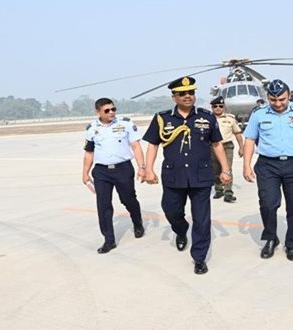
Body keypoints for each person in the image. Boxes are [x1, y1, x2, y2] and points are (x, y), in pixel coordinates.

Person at [143, 76, 232, 275]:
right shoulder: (162, 118)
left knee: (201, 219)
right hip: (173, 175)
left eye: (191, 92)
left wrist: (226, 170)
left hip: (201, 176)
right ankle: (181, 230)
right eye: (182, 94)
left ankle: (199, 257)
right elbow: (153, 145)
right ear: (174, 97)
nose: (187, 96)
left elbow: (217, 144)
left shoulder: (207, 117)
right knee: (171, 211)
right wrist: (148, 169)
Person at [242, 79, 293, 261]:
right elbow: (249, 139)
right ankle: (271, 238)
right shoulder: (259, 114)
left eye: (282, 99)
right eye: (273, 100)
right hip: (267, 165)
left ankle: (292, 244)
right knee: (268, 203)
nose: (278, 104)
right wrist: (246, 164)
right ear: (268, 98)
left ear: (289, 94)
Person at [82, 98, 146, 254]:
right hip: (101, 171)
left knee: (128, 199)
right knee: (103, 206)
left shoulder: (125, 124)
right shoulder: (91, 128)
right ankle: (109, 240)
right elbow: (89, 152)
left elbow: (136, 147)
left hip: (123, 169)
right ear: (97, 112)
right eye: (107, 110)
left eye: (113, 109)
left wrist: (142, 167)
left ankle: (137, 222)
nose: (111, 112)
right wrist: (85, 173)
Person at [209, 96, 244, 202]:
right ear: (212, 108)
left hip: (227, 146)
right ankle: (218, 189)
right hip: (212, 147)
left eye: (220, 106)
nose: (218, 108)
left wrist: (241, 147)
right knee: (215, 169)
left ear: (223, 107)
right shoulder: (208, 119)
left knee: (227, 169)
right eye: (215, 106)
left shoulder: (230, 119)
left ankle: (228, 193)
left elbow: (237, 134)